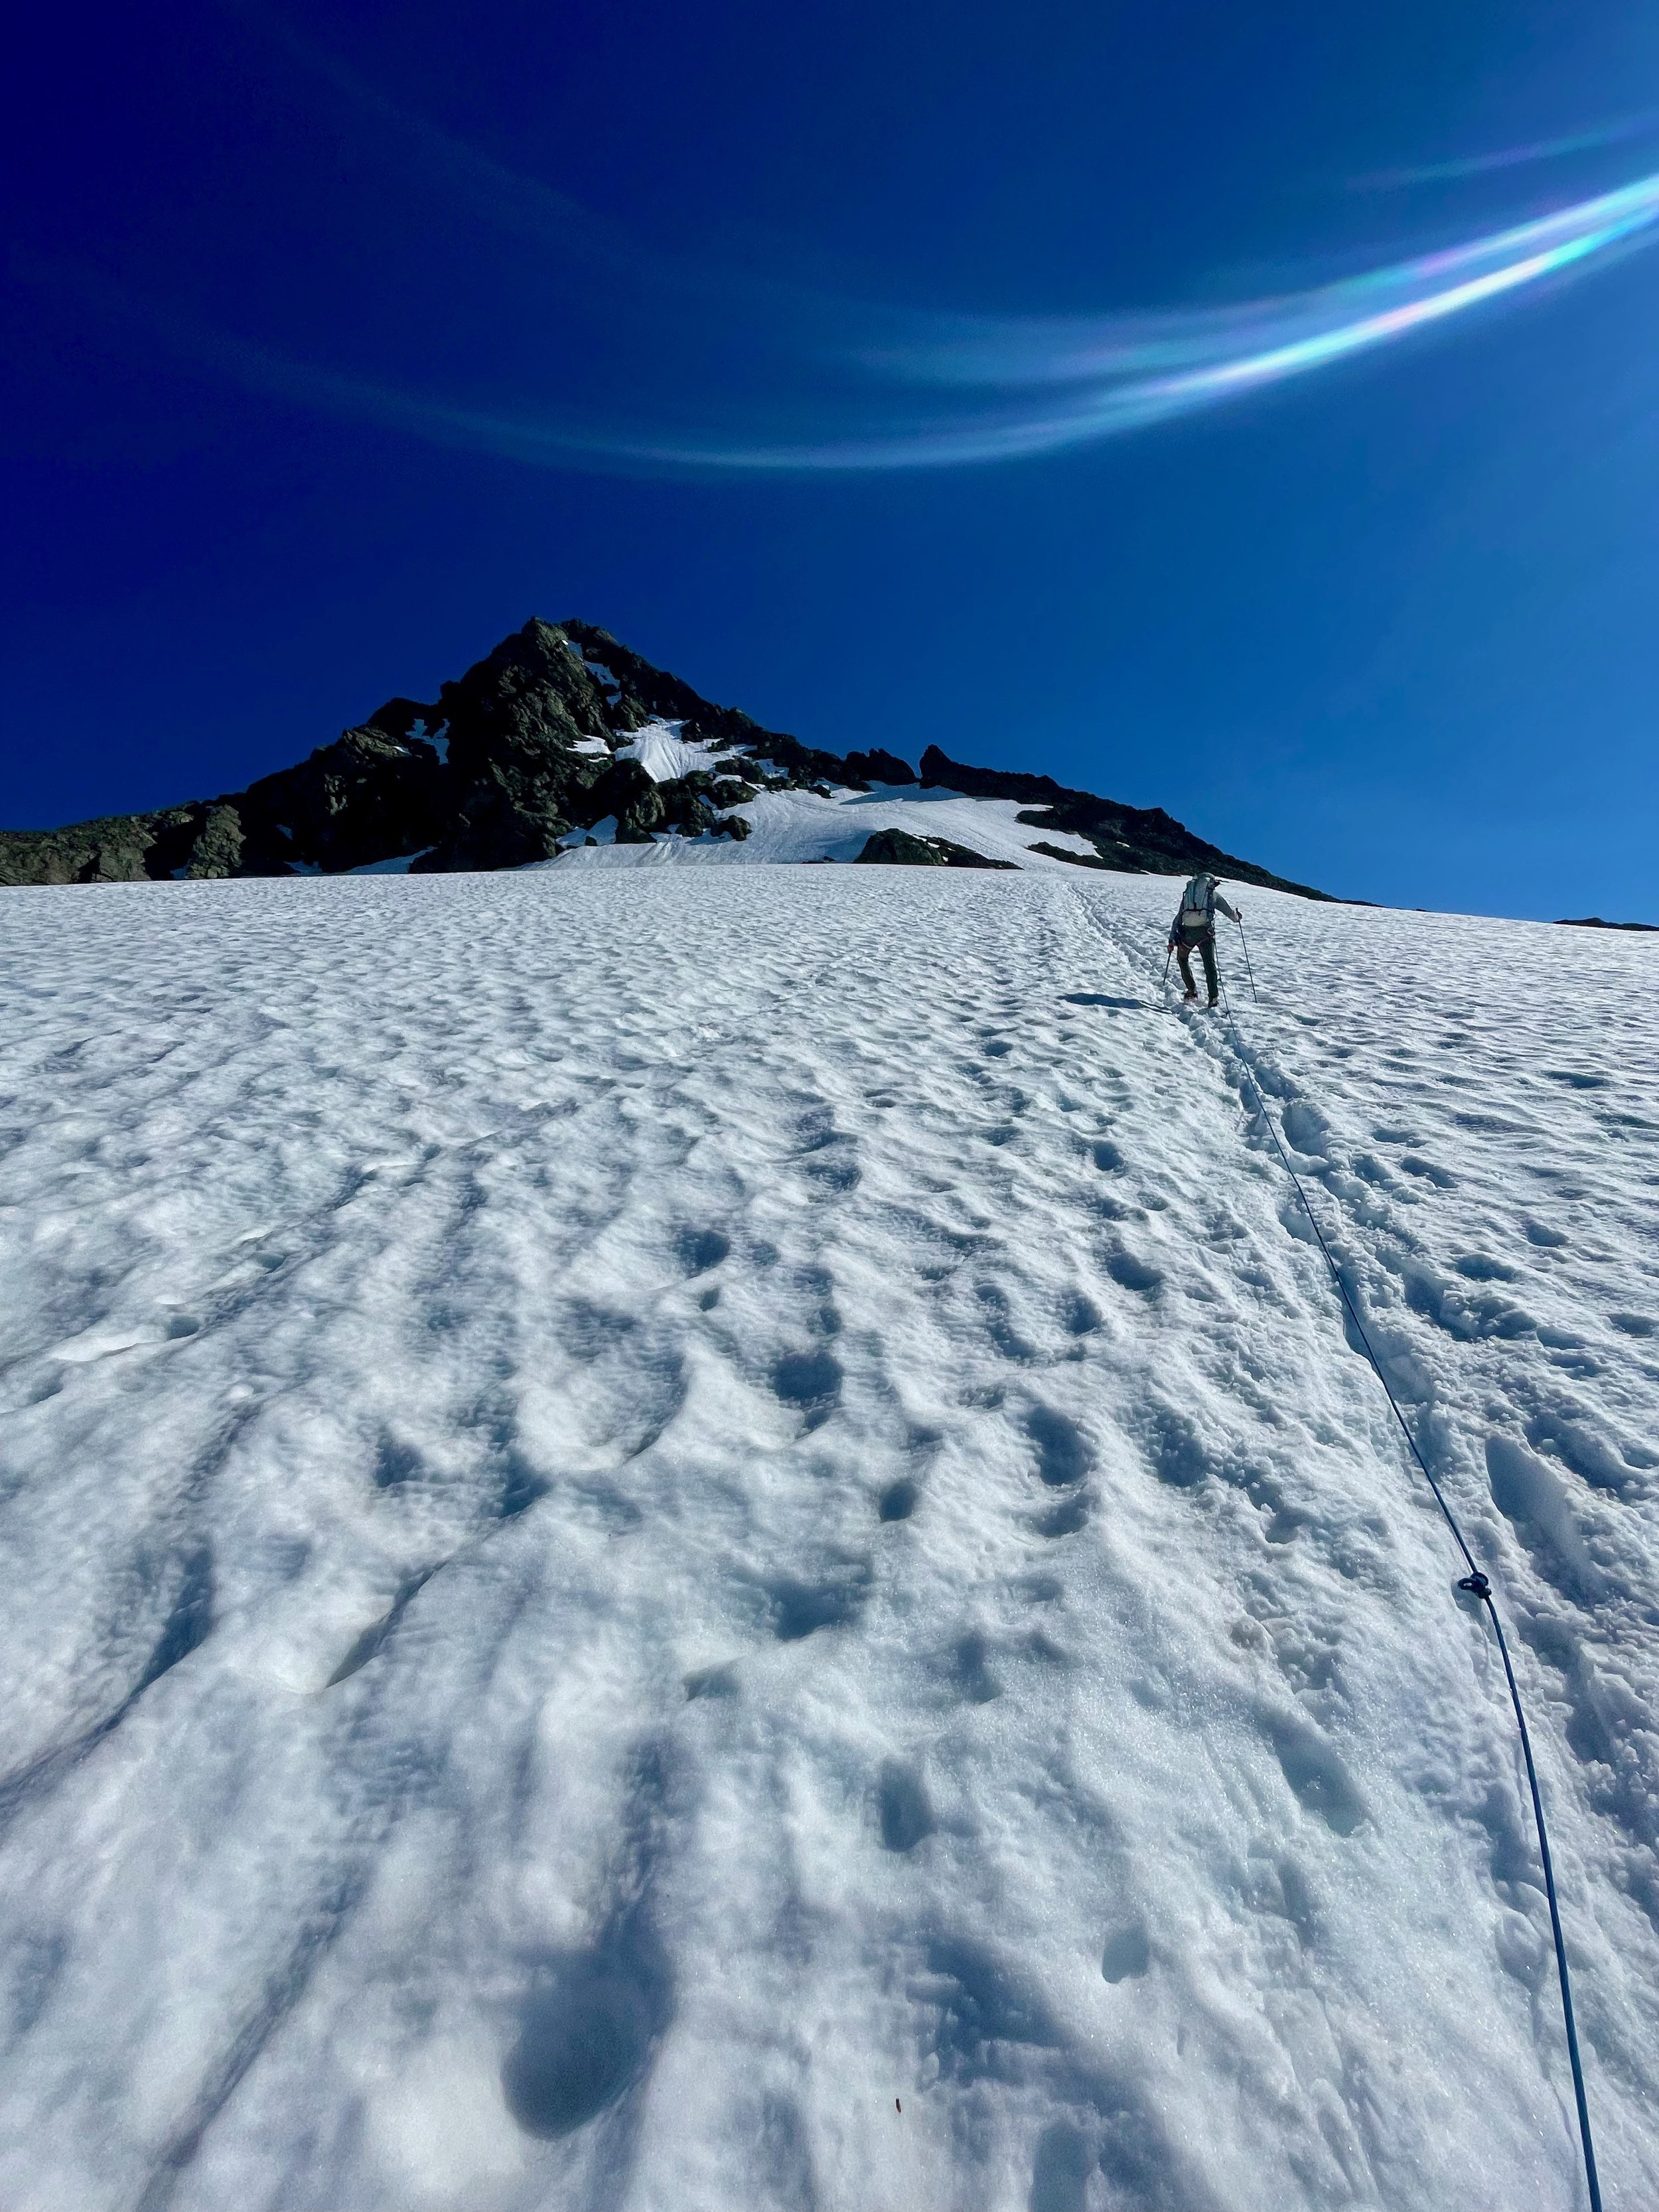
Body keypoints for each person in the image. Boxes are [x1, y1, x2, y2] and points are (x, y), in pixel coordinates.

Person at [1167, 870, 1240, 1005]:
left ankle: (1191, 991)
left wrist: (1172, 938)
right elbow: (1230, 913)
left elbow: (1178, 917)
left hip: (1187, 933)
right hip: (1205, 933)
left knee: (1182, 959)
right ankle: (1213, 997)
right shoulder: (1212, 895)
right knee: (1209, 964)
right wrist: (1237, 917)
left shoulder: (1189, 895)